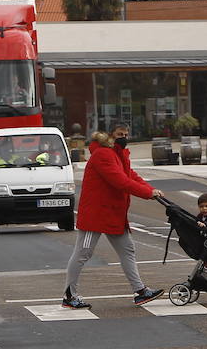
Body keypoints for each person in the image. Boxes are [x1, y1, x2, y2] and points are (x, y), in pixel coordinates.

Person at [62, 127, 165, 309]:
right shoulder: (103, 155)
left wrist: (151, 190)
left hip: (111, 213)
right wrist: (148, 193)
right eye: (119, 135)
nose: (124, 138)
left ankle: (140, 291)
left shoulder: (117, 154)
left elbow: (131, 175)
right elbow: (120, 181)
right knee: (82, 253)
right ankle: (69, 296)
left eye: (126, 135)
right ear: (110, 136)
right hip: (96, 214)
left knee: (127, 250)